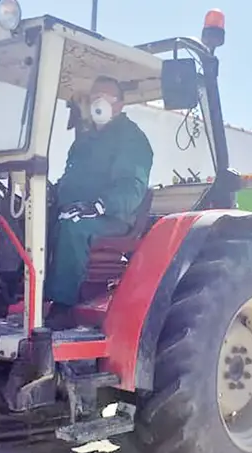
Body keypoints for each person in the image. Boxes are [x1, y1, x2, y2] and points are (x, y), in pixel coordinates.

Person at [44, 76, 154, 329]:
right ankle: (18, 293)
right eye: (95, 98)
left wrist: (99, 206)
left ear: (120, 105)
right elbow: (71, 178)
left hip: (113, 217)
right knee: (30, 221)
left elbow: (132, 186)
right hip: (76, 208)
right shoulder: (84, 139)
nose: (99, 103)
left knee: (73, 226)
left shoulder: (132, 139)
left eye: (106, 98)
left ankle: (63, 308)